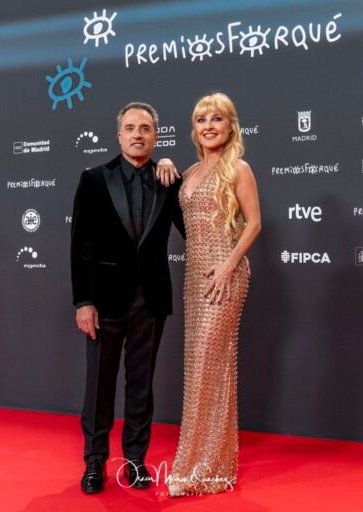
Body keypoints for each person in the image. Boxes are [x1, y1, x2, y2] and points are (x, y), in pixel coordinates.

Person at [70, 101, 185, 494]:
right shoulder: (95, 179)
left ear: (156, 135)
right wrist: (83, 302)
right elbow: (80, 246)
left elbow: (193, 228)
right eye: (131, 128)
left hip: (150, 301)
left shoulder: (170, 180)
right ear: (119, 135)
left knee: (141, 384)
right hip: (104, 302)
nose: (138, 134)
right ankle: (95, 461)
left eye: (146, 128)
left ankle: (135, 460)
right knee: (99, 384)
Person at [166, 92, 261, 496]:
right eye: (201, 119)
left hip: (226, 273)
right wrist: (166, 164)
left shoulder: (238, 168)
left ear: (230, 126)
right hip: (194, 278)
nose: (208, 126)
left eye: (216, 119)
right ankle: (201, 462)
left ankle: (205, 468)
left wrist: (227, 265)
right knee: (199, 368)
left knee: (211, 364)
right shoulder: (187, 173)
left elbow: (255, 223)